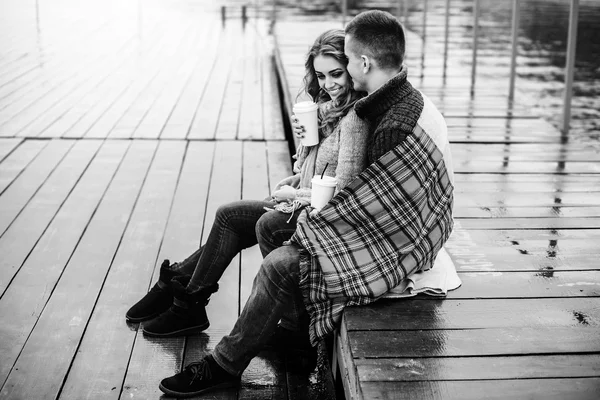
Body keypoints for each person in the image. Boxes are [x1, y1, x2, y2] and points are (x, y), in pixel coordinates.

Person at [158, 10, 455, 398]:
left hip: (399, 250)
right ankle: (286, 328)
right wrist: (308, 159)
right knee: (267, 226)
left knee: (279, 265)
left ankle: (224, 363)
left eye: (345, 63)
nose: (339, 75)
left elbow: (379, 218)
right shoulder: (385, 102)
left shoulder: (388, 121)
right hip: (390, 232)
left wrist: (306, 216)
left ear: (363, 63)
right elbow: (366, 197)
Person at [125, 29, 369, 339]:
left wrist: (295, 193)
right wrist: (302, 159)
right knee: (230, 216)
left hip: (315, 216)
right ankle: (184, 293)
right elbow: (317, 170)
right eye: (321, 76)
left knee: (235, 218)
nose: (328, 84)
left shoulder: (354, 119)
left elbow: (344, 191)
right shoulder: (327, 110)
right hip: (300, 202)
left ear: (351, 68)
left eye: (336, 74)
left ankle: (182, 294)